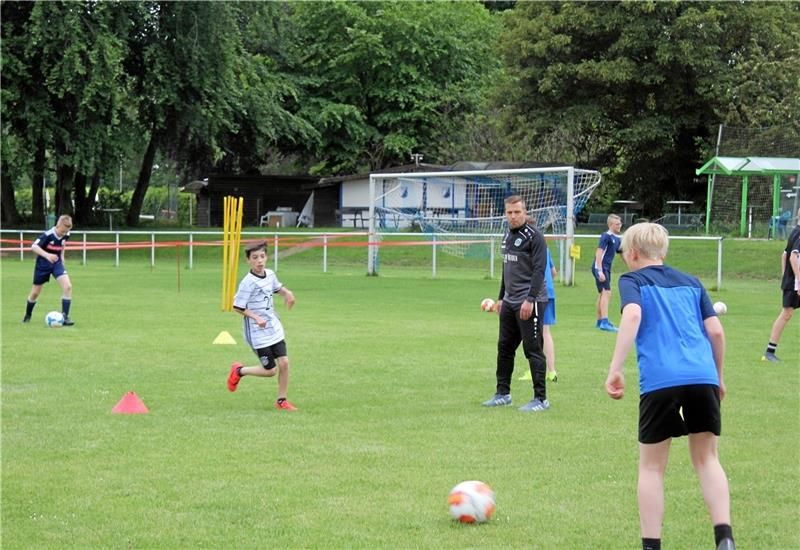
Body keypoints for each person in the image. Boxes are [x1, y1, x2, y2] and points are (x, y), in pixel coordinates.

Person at [604, 223, 734, 550]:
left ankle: (651, 546)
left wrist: (615, 369)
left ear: (632, 253)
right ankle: (725, 539)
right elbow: (716, 333)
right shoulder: (692, 282)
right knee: (707, 459)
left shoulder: (631, 279)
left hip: (661, 380)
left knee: (651, 467)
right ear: (663, 252)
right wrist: (717, 376)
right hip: (702, 376)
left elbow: (632, 315)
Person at [482, 195, 550, 412]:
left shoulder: (535, 237)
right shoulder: (506, 236)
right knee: (504, 347)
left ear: (525, 211)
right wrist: (501, 297)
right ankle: (503, 394)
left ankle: (541, 399)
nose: (513, 216)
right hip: (510, 302)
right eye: (509, 212)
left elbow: (539, 270)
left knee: (532, 349)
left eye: (517, 212)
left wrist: (530, 299)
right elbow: (506, 270)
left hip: (531, 301)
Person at [226, 241, 298, 411]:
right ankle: (239, 371)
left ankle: (282, 401)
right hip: (257, 333)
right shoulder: (247, 283)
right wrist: (256, 317)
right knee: (270, 371)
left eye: (262, 256)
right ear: (248, 261)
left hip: (273, 327)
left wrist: (287, 293)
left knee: (285, 363)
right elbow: (237, 306)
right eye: (255, 258)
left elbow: (277, 288)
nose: (259, 261)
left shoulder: (270, 274)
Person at [23, 214, 76, 325]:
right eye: (63, 231)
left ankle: (65, 317)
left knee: (68, 287)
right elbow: (34, 247)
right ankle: (28, 315)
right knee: (35, 293)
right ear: (58, 225)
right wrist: (47, 255)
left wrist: (61, 256)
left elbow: (63, 243)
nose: (64, 234)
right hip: (43, 265)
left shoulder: (66, 234)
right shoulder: (47, 235)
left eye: (66, 232)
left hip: (56, 263)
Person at [763, 207, 800, 362]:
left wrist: (785, 276)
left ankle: (770, 352)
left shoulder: (795, 231)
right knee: (786, 314)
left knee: (786, 314)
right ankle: (769, 352)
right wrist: (797, 280)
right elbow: (792, 257)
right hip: (795, 284)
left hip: (792, 281)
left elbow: (783, 255)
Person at [592, 213, 623, 332]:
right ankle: (604, 322)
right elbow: (599, 252)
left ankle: (600, 321)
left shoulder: (617, 239)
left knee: (602, 294)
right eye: (617, 224)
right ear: (610, 225)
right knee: (607, 293)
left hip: (607, 268)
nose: (619, 225)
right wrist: (599, 270)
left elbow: (623, 254)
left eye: (620, 223)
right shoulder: (606, 236)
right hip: (601, 267)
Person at [544, 247, 558, 382]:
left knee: (532, 333)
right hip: (549, 291)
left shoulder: (526, 245)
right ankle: (552, 371)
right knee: (545, 332)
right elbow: (554, 272)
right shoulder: (545, 247)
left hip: (536, 293)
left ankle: (534, 370)